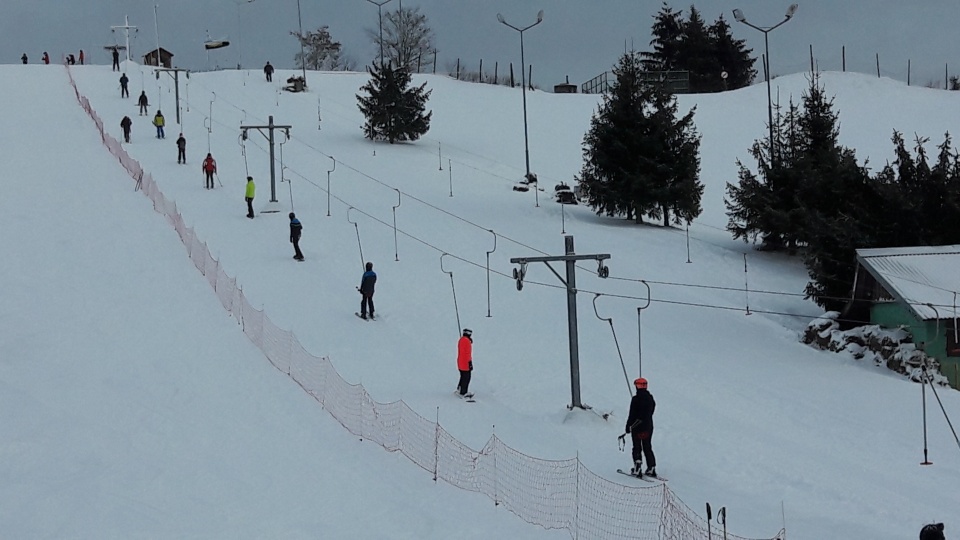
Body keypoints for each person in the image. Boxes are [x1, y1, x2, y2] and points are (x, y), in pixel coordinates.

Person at [625, 377, 657, 478]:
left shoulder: (635, 400)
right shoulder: (650, 398)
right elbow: (651, 411)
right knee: (647, 446)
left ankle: (637, 467)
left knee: (637, 447)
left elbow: (632, 414)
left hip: (637, 427)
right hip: (648, 427)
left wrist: (628, 426)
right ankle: (651, 467)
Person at [456, 328, 474, 397]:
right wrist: (470, 363)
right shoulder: (467, 341)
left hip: (460, 362)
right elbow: (467, 354)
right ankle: (463, 392)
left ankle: (459, 388)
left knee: (462, 376)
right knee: (467, 377)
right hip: (465, 363)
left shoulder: (461, 340)